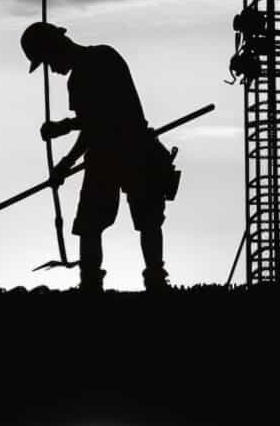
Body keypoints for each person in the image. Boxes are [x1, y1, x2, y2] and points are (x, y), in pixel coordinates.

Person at [20, 21, 175, 292]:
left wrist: (64, 165)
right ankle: (148, 282)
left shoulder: (85, 73)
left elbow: (96, 126)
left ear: (55, 47)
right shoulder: (103, 57)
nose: (51, 69)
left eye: (46, 60)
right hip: (126, 149)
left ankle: (96, 286)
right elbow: (93, 118)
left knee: (103, 224)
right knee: (128, 222)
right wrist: (64, 126)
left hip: (123, 152)